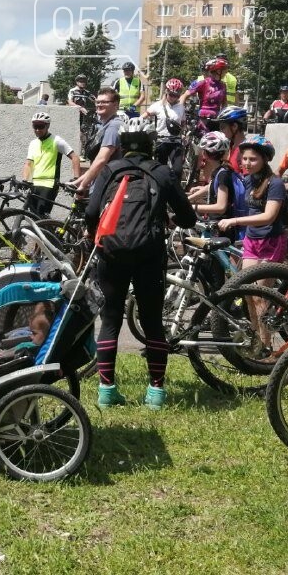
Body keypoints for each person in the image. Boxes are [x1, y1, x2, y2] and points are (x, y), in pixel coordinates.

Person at [86, 118, 196, 409]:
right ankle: (156, 394)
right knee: (151, 322)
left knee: (110, 320)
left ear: (123, 146)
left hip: (111, 254)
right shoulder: (162, 173)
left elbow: (91, 211)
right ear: (151, 146)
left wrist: (94, 237)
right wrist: (170, 218)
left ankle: (107, 392)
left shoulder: (110, 170)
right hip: (149, 254)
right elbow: (188, 218)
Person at [218, 136, 288, 270]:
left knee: (259, 290)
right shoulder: (249, 179)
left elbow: (269, 217)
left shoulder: (275, 183)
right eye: (244, 159)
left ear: (265, 159)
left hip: (271, 240)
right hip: (251, 239)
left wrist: (235, 221)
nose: (247, 163)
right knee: (247, 287)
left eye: (253, 159)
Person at [22, 112, 81, 217]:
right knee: (33, 216)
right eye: (35, 126)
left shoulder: (57, 141)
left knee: (41, 216)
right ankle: (49, 231)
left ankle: (47, 231)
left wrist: (76, 179)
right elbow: (28, 164)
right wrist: (25, 180)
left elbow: (75, 157)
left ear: (47, 126)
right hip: (35, 184)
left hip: (49, 184)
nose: (37, 130)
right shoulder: (33, 143)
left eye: (40, 126)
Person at [70, 88, 123, 190]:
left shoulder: (113, 127)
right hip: (100, 183)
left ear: (116, 105)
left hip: (107, 186)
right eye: (97, 102)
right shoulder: (104, 126)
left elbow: (101, 160)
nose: (99, 105)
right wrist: (77, 182)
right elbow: (96, 163)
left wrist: (82, 185)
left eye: (104, 102)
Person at [190, 132, 240, 237]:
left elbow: (221, 207)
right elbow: (211, 186)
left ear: (206, 154)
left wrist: (192, 207)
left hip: (221, 227)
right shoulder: (221, 170)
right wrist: (189, 199)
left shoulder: (223, 174)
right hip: (216, 223)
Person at [142, 78, 185, 178]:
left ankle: (175, 191)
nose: (173, 98)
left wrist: (184, 134)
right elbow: (144, 116)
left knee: (178, 170)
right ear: (166, 92)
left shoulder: (181, 107)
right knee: (160, 170)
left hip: (176, 142)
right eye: (171, 94)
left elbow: (183, 123)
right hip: (161, 141)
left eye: (176, 95)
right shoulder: (157, 106)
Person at [179, 57, 228, 134]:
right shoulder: (204, 83)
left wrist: (225, 115)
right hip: (204, 119)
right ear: (217, 71)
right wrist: (180, 111)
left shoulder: (223, 85)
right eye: (224, 70)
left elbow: (224, 103)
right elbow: (184, 95)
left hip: (217, 119)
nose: (226, 72)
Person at [213, 105, 248, 174]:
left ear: (234, 126)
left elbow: (248, 183)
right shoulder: (231, 147)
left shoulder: (244, 152)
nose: (221, 130)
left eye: (223, 127)